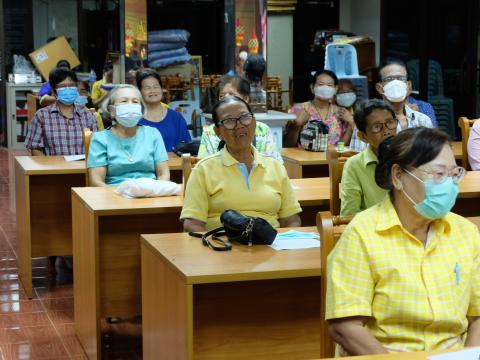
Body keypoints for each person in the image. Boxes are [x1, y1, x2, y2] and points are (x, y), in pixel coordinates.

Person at [326, 127, 480, 356]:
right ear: (398, 176)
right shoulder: (362, 234)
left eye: (454, 173)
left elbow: (477, 315)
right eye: (438, 174)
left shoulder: (465, 232)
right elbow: (345, 326)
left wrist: (470, 355)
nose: (449, 185)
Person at [181, 96, 302, 232]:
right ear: (218, 132)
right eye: (229, 121)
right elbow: (193, 224)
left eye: (244, 117)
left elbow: (291, 220)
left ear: (254, 122)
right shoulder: (203, 170)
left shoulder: (275, 167)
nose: (239, 125)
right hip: (223, 246)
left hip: (270, 245)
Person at [87, 84, 170, 186]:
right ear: (112, 111)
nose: (130, 105)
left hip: (150, 194)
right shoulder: (100, 139)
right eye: (124, 101)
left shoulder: (152, 134)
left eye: (135, 102)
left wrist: (156, 192)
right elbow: (96, 182)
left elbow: (164, 175)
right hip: (114, 196)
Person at [349, 61, 434, 151]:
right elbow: (356, 158)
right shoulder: (366, 121)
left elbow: (431, 155)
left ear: (408, 86)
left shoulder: (422, 120)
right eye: (390, 79)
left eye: (401, 78)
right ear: (379, 88)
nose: (396, 83)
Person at [198, 74, 282, 162]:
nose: (226, 101)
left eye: (232, 95)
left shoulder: (263, 130)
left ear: (246, 98)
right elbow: (203, 165)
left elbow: (275, 165)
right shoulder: (210, 133)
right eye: (221, 96)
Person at [340, 99, 397, 216]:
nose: (386, 132)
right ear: (363, 136)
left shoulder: (411, 157)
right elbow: (349, 214)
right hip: (372, 230)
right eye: (377, 127)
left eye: (390, 123)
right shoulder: (354, 165)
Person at [26, 67, 98, 156]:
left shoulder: (88, 116)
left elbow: (97, 147)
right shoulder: (41, 116)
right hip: (53, 168)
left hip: (83, 168)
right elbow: (35, 148)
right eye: (63, 86)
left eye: (71, 85)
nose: (68, 89)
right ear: (54, 91)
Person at [285, 69, 355, 147]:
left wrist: (351, 124)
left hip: (332, 158)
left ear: (335, 89)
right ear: (312, 87)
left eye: (329, 85)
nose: (325, 88)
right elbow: (287, 145)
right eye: (321, 84)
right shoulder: (298, 109)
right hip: (304, 158)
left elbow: (342, 147)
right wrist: (296, 125)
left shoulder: (341, 113)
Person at [136, 68, 191, 152]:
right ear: (140, 92)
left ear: (162, 89)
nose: (152, 91)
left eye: (156, 87)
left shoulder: (176, 117)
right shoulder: (135, 119)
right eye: (147, 88)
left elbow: (186, 148)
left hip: (175, 164)